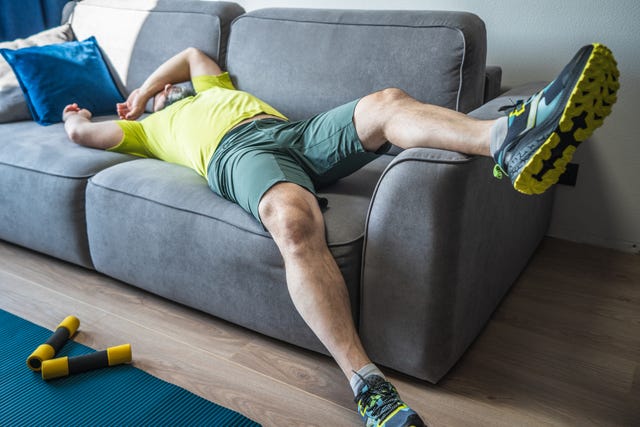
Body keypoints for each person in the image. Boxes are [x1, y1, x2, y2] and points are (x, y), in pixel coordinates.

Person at [63, 43, 619, 427]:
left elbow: (189, 55)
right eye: (156, 96)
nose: (165, 93)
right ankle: (367, 384)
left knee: (387, 102)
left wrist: (146, 85)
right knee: (295, 222)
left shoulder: (207, 87)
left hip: (294, 133)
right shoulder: (143, 129)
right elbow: (85, 133)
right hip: (238, 156)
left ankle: (506, 137)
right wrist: (89, 115)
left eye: (165, 92)